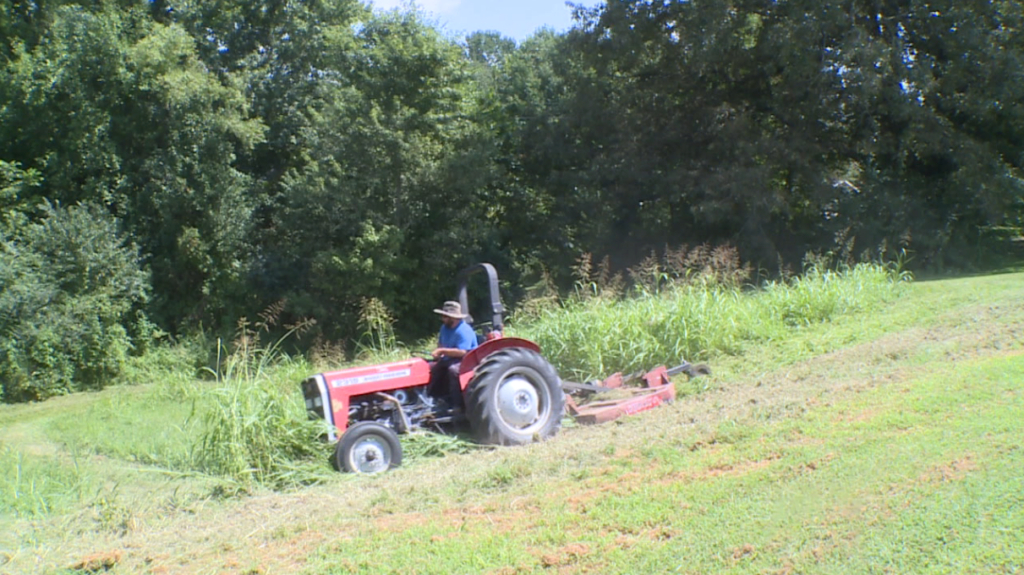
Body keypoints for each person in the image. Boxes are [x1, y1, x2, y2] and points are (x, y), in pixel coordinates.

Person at [428, 300, 478, 410]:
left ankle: (457, 404)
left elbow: (462, 352)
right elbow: (440, 344)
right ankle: (432, 399)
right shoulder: (444, 328)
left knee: (453, 370)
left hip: (466, 360)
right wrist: (438, 354)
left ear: (453, 318)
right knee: (430, 367)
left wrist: (442, 351)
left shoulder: (464, 330)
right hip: (449, 358)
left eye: (445, 316)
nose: (442, 319)